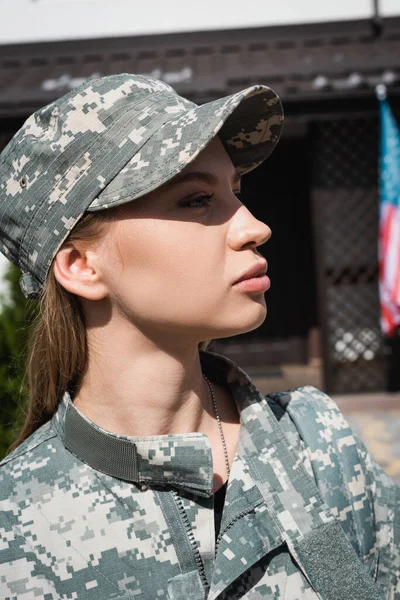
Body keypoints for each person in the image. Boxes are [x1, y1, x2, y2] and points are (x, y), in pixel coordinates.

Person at [0, 74, 398, 600]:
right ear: (80, 265)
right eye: (195, 200)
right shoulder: (15, 526)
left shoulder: (317, 443)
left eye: (236, 192)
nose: (255, 227)